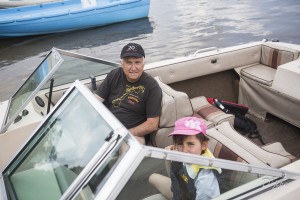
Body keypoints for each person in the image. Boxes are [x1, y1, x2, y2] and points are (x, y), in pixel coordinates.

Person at [95, 43, 162, 144]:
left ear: (144, 64)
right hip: (107, 125)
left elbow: (152, 124)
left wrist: (127, 133)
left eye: (137, 62)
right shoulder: (114, 74)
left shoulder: (152, 87)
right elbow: (96, 101)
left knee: (131, 145)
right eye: (129, 63)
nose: (133, 67)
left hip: (132, 133)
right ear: (122, 64)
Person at [149, 117, 221, 200]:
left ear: (204, 145)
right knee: (152, 177)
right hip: (181, 192)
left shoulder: (205, 179)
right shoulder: (180, 153)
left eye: (190, 144)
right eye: (180, 144)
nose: (184, 150)